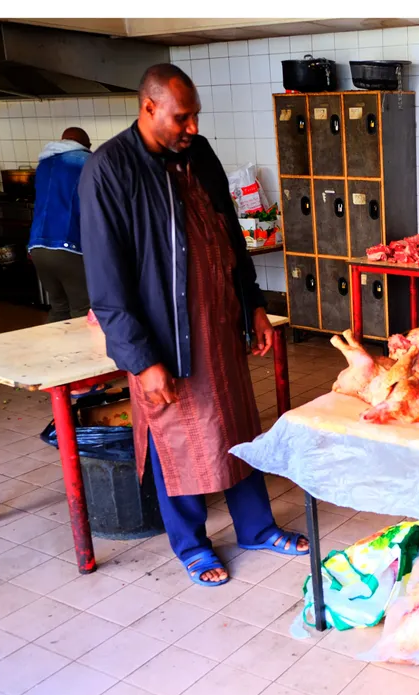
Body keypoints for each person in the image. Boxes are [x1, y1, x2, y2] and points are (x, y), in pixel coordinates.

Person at [78, 63, 307, 587]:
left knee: (238, 429)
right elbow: (108, 288)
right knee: (177, 440)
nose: (193, 128)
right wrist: (142, 360)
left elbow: (229, 235)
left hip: (219, 329)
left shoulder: (197, 155)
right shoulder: (109, 171)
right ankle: (192, 545)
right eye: (182, 118)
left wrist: (252, 306)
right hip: (164, 340)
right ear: (149, 108)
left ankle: (255, 528)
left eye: (196, 116)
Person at [28, 127, 92, 322]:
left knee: (59, 308)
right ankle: (81, 354)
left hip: (37, 247)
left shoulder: (44, 163)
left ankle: (53, 352)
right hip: (68, 245)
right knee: (83, 310)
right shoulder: (86, 161)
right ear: (85, 145)